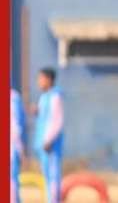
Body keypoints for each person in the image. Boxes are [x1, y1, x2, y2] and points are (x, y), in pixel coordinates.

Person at [33, 68, 64, 203]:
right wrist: (37, 112)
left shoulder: (55, 96)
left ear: (49, 80)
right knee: (46, 176)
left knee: (53, 177)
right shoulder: (44, 97)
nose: (38, 82)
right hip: (43, 144)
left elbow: (57, 120)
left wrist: (48, 140)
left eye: (41, 79)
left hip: (50, 145)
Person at [11, 88, 27, 203]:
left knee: (11, 180)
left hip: (12, 146)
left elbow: (15, 127)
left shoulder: (13, 98)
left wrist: (21, 151)